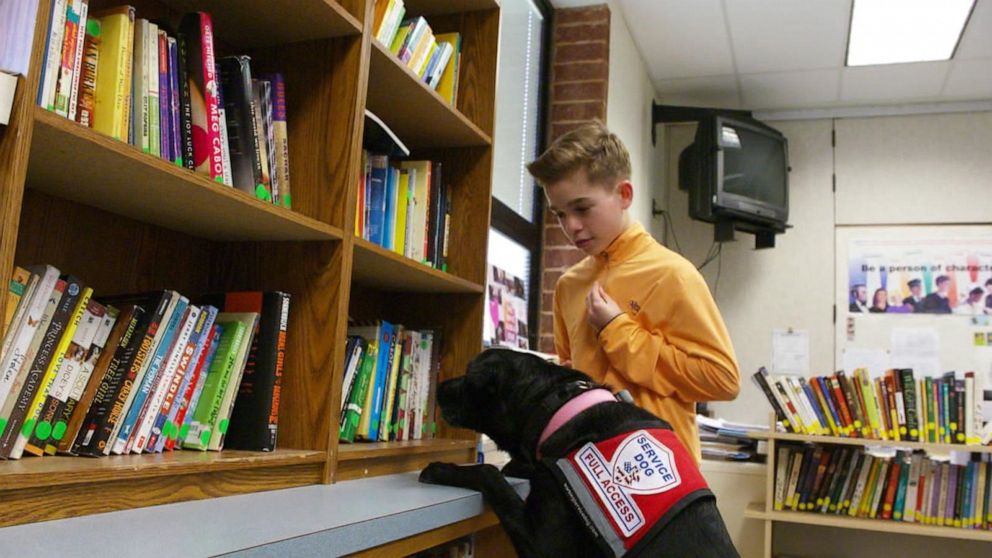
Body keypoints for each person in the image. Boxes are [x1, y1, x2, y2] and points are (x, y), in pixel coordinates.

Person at [527, 120, 740, 462]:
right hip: (587, 470)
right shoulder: (568, 285)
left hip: (662, 479)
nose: (571, 227)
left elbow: (723, 380)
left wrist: (619, 330)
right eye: (559, 214)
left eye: (582, 208)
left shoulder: (673, 274)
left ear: (624, 195)